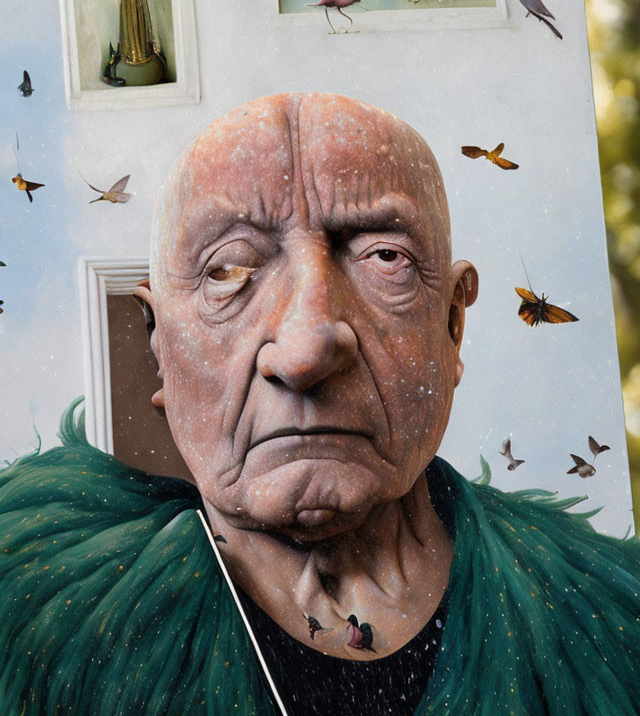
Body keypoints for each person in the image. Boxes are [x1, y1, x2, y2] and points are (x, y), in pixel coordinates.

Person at [1, 93, 639, 716]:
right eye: (226, 271)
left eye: (385, 258)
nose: (305, 351)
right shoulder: (30, 614)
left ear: (452, 327)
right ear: (161, 346)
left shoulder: (611, 623)